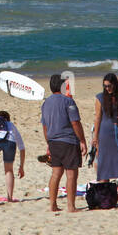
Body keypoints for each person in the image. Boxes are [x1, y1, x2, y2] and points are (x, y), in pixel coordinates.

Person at [41, 74, 86, 213]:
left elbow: (45, 126)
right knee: (71, 174)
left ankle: (52, 205)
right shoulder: (68, 101)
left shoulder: (45, 103)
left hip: (53, 141)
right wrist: (82, 140)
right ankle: (71, 207)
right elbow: (75, 122)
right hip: (68, 141)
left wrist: (48, 141)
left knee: (56, 173)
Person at [91, 72, 118, 197]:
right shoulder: (100, 98)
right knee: (104, 161)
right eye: (105, 86)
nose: (107, 88)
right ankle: (105, 189)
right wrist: (95, 137)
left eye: (109, 86)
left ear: (115, 84)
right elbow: (97, 118)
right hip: (105, 133)